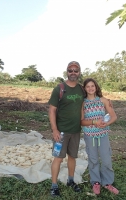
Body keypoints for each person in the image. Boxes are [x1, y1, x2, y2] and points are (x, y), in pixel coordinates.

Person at [48, 61, 84, 197]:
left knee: (72, 157)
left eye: (76, 70)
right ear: (67, 72)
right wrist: (54, 130)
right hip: (61, 132)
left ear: (79, 72)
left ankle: (70, 180)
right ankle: (54, 185)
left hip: (75, 131)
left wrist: (106, 101)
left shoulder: (81, 89)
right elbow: (52, 110)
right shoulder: (60, 88)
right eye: (70, 70)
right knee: (58, 158)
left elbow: (92, 96)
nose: (73, 73)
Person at [81, 78, 119, 195]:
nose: (91, 88)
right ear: (85, 89)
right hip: (90, 135)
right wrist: (94, 122)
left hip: (102, 134)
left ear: (96, 87)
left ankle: (107, 182)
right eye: (88, 86)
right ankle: (96, 182)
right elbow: (81, 121)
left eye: (93, 86)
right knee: (93, 159)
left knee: (106, 158)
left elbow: (113, 116)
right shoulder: (83, 103)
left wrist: (106, 123)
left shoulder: (103, 100)